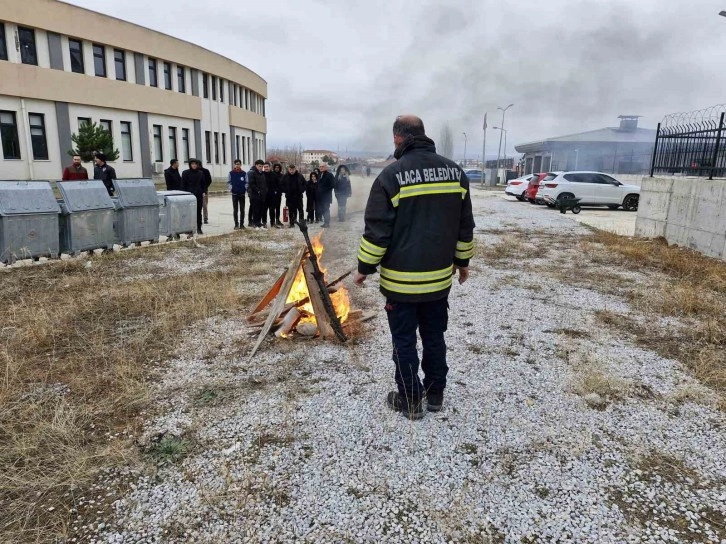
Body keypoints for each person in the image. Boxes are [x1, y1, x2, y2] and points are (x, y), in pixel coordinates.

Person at [354, 115, 475, 420]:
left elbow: (377, 231)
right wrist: (463, 263)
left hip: (401, 284)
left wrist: (363, 269)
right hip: (437, 282)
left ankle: (409, 400)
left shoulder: (390, 176)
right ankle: (435, 394)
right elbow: (465, 226)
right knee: (434, 335)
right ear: (424, 134)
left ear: (398, 139)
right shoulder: (455, 173)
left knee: (404, 341)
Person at [181, 158, 206, 234]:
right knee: (189, 212)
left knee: (198, 212)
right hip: (189, 195)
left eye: (195, 164)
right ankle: (189, 229)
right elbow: (183, 184)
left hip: (198, 195)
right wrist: (184, 194)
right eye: (192, 164)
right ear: (190, 165)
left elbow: (203, 183)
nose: (194, 165)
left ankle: (199, 228)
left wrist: (204, 191)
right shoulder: (185, 173)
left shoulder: (200, 173)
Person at [227, 159, 247, 230]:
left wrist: (245, 189)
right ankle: (236, 224)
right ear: (234, 165)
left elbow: (247, 183)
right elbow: (228, 182)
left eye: (238, 164)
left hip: (242, 194)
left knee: (242, 209)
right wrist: (231, 189)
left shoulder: (244, 173)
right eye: (236, 164)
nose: (237, 165)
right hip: (234, 194)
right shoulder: (231, 173)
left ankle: (242, 224)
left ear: (240, 165)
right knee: (235, 210)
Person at [247, 159, 267, 229]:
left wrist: (265, 191)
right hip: (254, 195)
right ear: (256, 166)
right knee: (255, 209)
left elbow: (264, 184)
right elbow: (252, 184)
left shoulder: (262, 174)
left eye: (262, 166)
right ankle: (255, 223)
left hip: (262, 194)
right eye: (259, 166)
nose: (261, 167)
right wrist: (257, 190)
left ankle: (259, 222)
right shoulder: (252, 173)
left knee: (261, 209)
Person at [316, 163, 335, 228]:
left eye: (322, 166)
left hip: (326, 196)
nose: (321, 168)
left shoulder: (330, 175)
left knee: (326, 209)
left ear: (326, 167)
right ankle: (325, 222)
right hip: (320, 196)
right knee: (322, 209)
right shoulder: (319, 174)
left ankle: (327, 223)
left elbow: (333, 185)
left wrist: (325, 190)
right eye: (320, 166)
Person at [270, 163, 284, 228]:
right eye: (275, 167)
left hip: (279, 194)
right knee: (272, 208)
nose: (277, 168)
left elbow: (283, 184)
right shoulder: (272, 174)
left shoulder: (282, 175)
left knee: (278, 207)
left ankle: (277, 220)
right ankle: (272, 221)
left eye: (278, 167)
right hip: (273, 194)